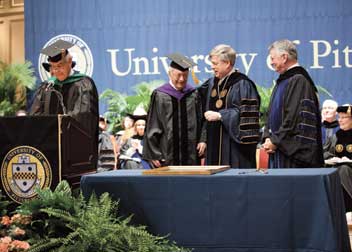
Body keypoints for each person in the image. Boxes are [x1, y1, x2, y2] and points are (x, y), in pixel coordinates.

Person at [29, 39, 99, 166]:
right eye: (53, 67)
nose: (55, 71)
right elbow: (35, 115)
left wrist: (58, 129)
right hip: (49, 148)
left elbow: (82, 116)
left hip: (74, 149)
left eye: (59, 66)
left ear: (70, 62)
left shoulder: (83, 84)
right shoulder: (47, 87)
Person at [262, 39, 323, 168]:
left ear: (284, 57)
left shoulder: (299, 80)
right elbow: (271, 114)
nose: (271, 62)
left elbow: (294, 118)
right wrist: (268, 137)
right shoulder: (283, 81)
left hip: (293, 156)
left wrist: (275, 141)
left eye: (273, 58)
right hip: (279, 149)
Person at [198, 44, 260, 168]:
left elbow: (246, 116)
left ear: (227, 63)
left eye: (215, 63)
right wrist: (203, 138)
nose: (212, 67)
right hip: (213, 146)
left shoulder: (242, 84)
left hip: (235, 150)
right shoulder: (211, 83)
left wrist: (221, 115)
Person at [143, 53, 206, 167]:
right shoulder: (160, 95)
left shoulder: (193, 94)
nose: (182, 79)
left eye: (185, 76)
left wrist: (203, 140)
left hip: (191, 155)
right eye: (178, 75)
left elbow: (201, 120)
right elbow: (152, 124)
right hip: (167, 154)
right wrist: (153, 153)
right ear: (170, 73)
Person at [324, 104, 352, 212]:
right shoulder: (336, 136)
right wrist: (332, 158)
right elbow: (324, 153)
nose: (340, 120)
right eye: (339, 117)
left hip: (348, 171)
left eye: (343, 117)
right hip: (337, 168)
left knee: (343, 169)